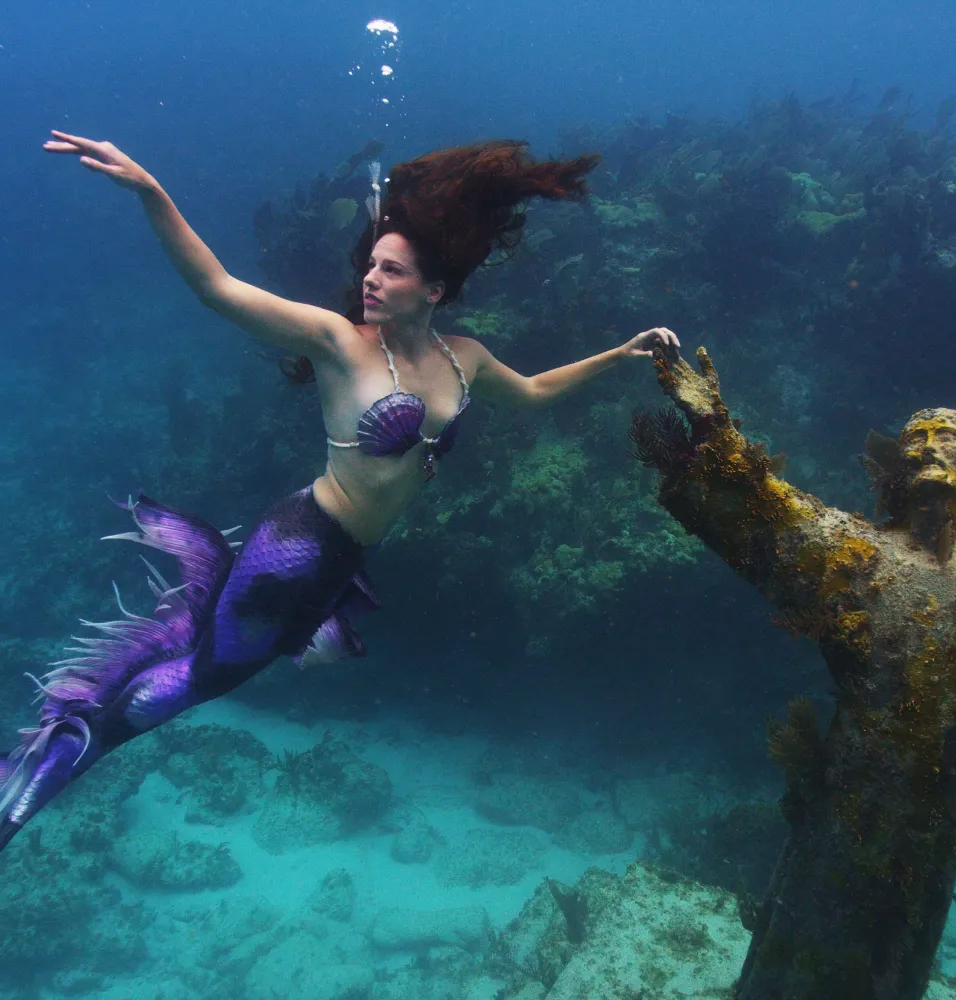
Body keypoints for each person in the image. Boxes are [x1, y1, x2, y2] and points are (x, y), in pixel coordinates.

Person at [0, 133, 679, 851]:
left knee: (207, 670)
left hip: (340, 560)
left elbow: (536, 393)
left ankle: (45, 764)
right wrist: (151, 191)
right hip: (295, 546)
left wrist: (622, 353)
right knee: (204, 677)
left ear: (435, 289)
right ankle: (34, 778)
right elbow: (217, 289)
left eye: (392, 270)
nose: (371, 279)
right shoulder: (338, 341)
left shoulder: (465, 358)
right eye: (373, 265)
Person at [632, 345, 956, 999]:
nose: (928, 447)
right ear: (895, 464)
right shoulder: (858, 555)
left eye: (948, 436)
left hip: (931, 808)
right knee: (806, 945)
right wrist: (714, 431)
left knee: (896, 956)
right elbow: (770, 512)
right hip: (847, 800)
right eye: (915, 438)